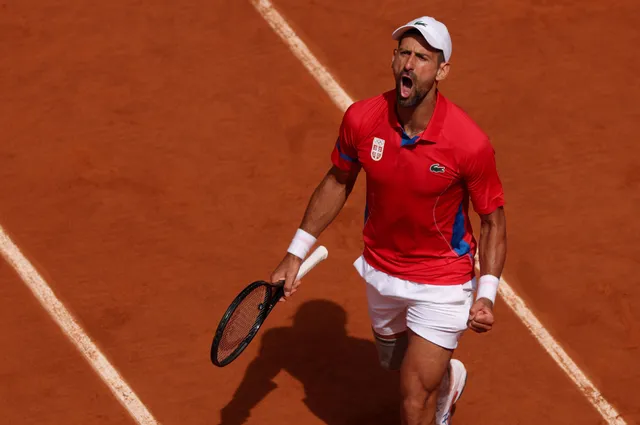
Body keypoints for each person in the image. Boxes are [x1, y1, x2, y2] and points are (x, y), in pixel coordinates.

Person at [270, 15, 507, 425]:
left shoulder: (468, 143)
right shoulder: (363, 119)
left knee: (414, 400)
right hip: (382, 268)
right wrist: (295, 253)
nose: (410, 65)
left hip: (442, 279)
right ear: (394, 60)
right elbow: (338, 180)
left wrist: (485, 293)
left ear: (442, 70)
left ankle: (436, 396)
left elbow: (493, 221)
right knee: (396, 362)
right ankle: (447, 380)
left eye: (423, 57)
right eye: (404, 54)